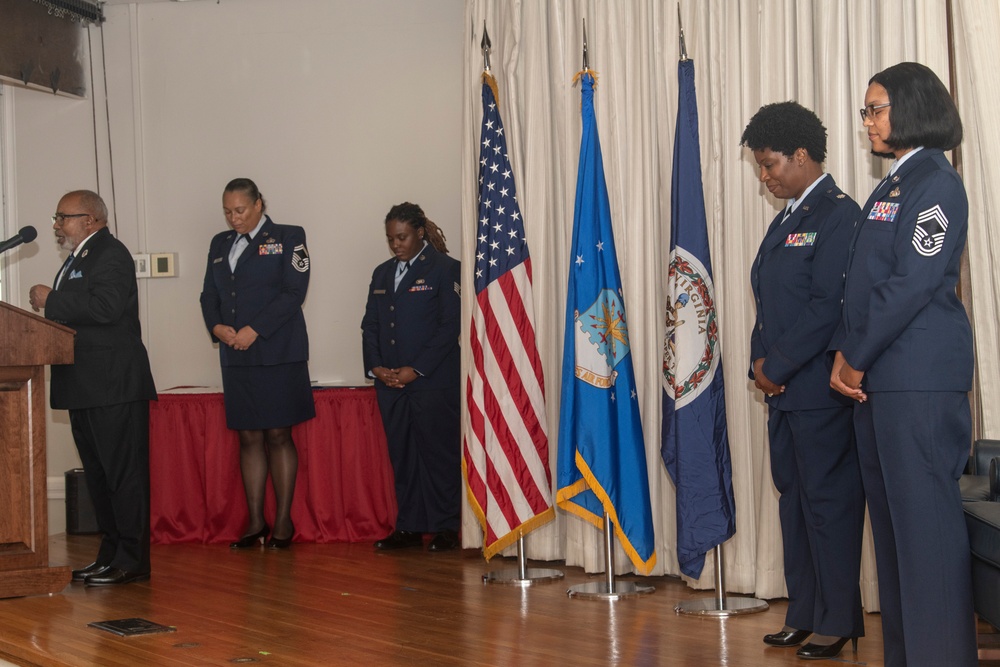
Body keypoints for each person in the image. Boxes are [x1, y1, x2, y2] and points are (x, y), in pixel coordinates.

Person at [830, 62, 977, 666]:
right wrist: (851, 357)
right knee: (893, 542)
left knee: (926, 541)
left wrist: (853, 356)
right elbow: (863, 284)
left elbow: (911, 283)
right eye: (866, 110)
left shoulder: (936, 183)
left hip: (916, 381)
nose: (868, 120)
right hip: (882, 383)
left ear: (913, 109)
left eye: (877, 108)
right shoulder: (893, 183)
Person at [740, 102, 865, 660]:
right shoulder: (788, 217)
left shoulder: (839, 214)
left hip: (817, 390)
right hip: (785, 392)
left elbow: (827, 307)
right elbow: (769, 305)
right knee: (794, 502)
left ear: (802, 155)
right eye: (760, 167)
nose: (765, 177)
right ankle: (805, 612)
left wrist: (778, 366)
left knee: (828, 504)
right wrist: (757, 365)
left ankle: (839, 621)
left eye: (769, 165)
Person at [28, 190, 157, 586]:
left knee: (123, 476)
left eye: (62, 217)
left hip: (113, 384)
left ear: (91, 219)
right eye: (56, 217)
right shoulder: (78, 258)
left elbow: (107, 308)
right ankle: (110, 554)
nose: (56, 225)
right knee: (99, 478)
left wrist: (53, 301)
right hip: (85, 385)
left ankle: (132, 560)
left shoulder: (110, 253)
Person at [200, 178, 314, 550]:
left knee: (279, 435)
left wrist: (255, 329)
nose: (234, 218)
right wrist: (216, 326)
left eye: (240, 210)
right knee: (248, 436)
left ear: (259, 204)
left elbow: (294, 292)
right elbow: (209, 294)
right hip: (235, 354)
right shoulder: (220, 244)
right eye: (228, 212)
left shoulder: (289, 235)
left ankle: (282, 522)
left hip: (278, 352)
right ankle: (254, 521)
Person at [361, 202, 461, 552]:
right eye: (390, 239)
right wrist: (376, 367)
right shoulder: (382, 273)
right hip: (390, 384)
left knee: (438, 455)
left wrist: (415, 370)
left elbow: (450, 328)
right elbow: (370, 325)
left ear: (419, 232)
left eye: (402, 237)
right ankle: (410, 525)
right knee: (403, 456)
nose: (396, 244)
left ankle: (447, 525)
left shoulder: (446, 269)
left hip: (431, 383)